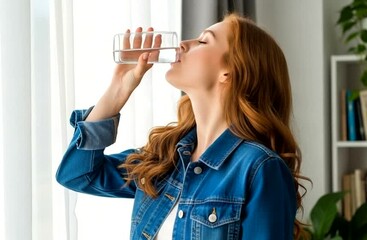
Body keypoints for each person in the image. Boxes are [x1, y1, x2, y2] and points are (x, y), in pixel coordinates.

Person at [56, 13, 307, 240]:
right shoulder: (164, 158)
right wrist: (118, 90)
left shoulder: (259, 169)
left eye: (203, 41)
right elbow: (77, 174)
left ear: (229, 72)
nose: (183, 44)